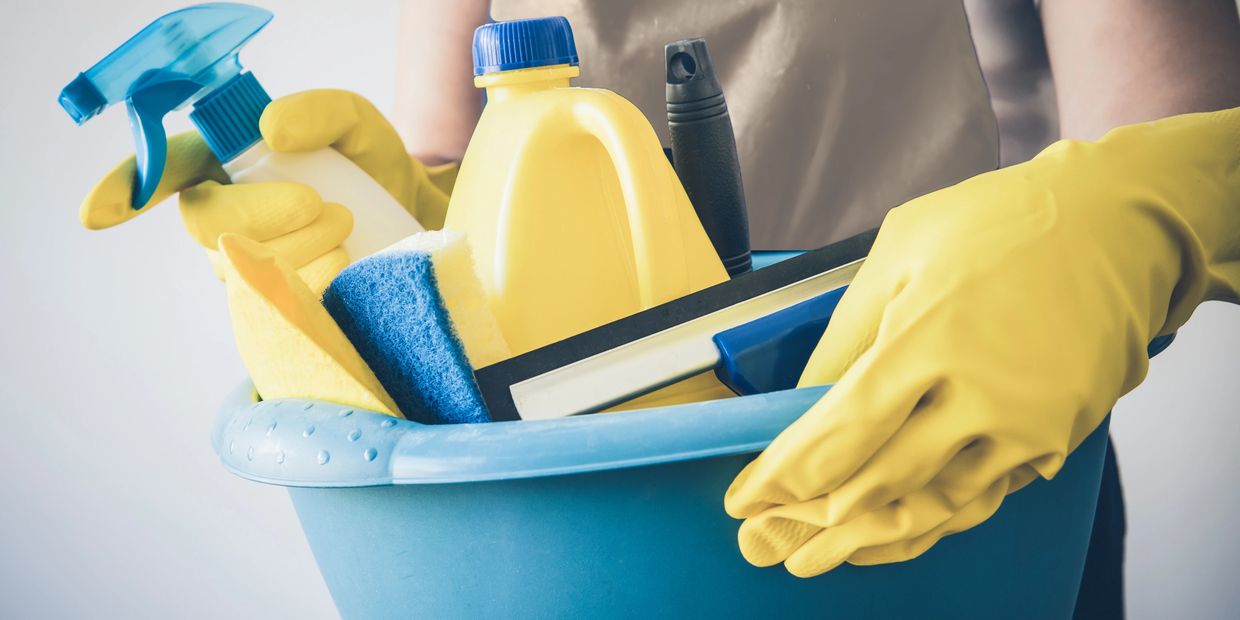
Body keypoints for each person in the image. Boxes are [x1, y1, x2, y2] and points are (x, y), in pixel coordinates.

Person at [81, 1, 1240, 617]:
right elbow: (450, 143)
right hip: (568, 507)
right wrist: (399, 241)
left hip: (962, 447)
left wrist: (1128, 210)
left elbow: (1177, 125)